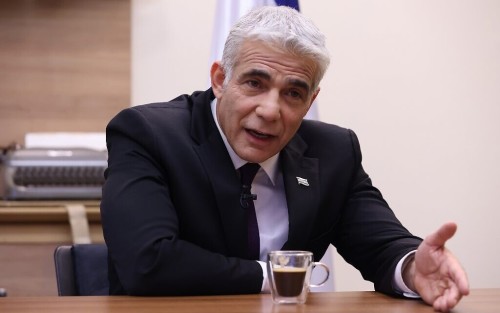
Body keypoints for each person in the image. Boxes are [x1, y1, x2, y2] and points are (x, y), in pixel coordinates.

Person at [100, 6, 469, 312]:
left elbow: (382, 246)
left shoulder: (334, 151)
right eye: (254, 83)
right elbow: (148, 262)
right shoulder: (148, 134)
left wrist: (411, 269)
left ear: (310, 102)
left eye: (293, 93)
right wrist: (278, 275)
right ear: (219, 78)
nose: (270, 110)